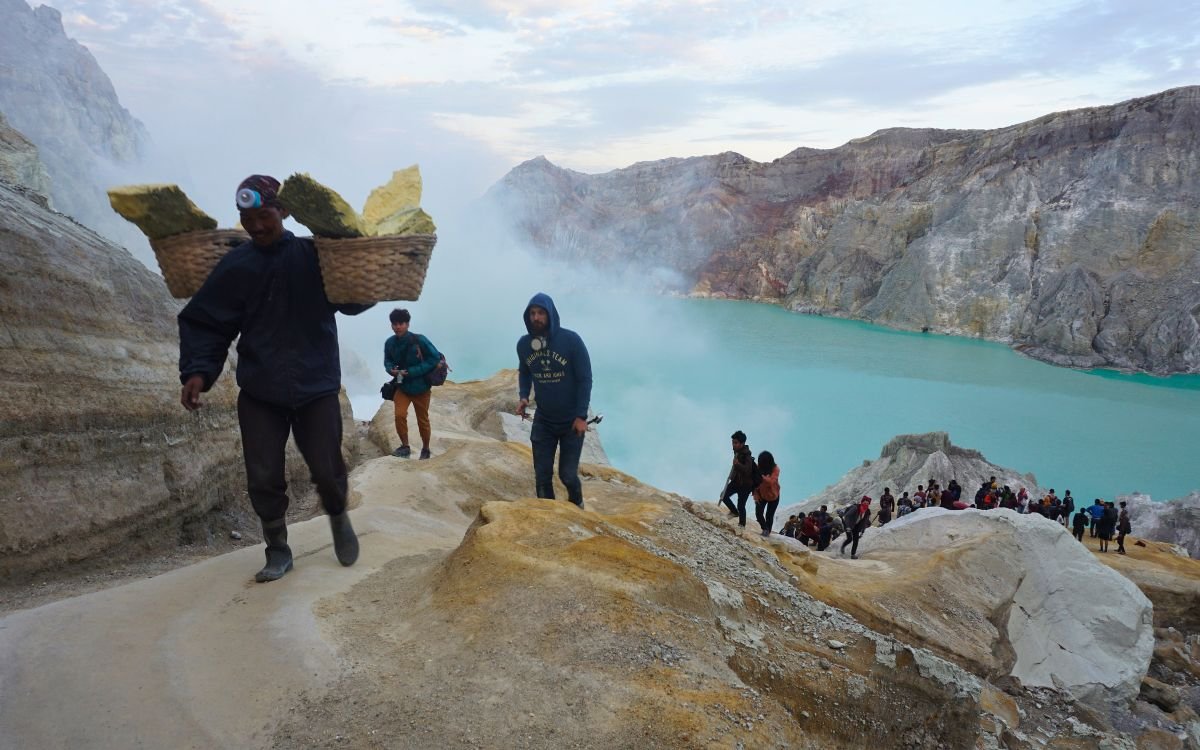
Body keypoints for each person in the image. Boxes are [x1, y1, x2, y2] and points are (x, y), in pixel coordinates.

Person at [178, 175, 371, 583]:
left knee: (327, 469)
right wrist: (197, 371)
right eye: (247, 218)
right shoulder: (236, 265)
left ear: (283, 211)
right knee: (263, 475)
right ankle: (278, 548)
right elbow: (208, 322)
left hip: (316, 386)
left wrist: (363, 275)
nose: (257, 226)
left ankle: (337, 516)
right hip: (261, 390)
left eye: (264, 215)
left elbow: (353, 300)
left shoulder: (315, 255)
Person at [515, 293, 593, 509]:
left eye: (541, 313)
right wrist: (523, 396)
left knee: (567, 476)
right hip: (544, 421)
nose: (536, 318)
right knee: (542, 477)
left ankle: (577, 505)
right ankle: (550, 518)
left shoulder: (571, 341)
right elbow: (524, 371)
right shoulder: (524, 345)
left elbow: (585, 379)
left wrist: (581, 416)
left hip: (571, 422)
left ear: (550, 314)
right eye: (532, 313)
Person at [384, 308, 442, 460]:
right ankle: (405, 446)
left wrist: (412, 371)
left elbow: (434, 358)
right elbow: (387, 361)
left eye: (401, 323)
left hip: (422, 387)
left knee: (422, 420)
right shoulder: (390, 343)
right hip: (402, 386)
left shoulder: (419, 340)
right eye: (394, 324)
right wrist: (391, 370)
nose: (397, 327)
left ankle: (426, 449)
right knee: (399, 415)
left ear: (407, 324)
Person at [718, 430, 756, 528]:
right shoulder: (737, 451)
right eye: (733, 443)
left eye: (736, 443)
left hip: (746, 485)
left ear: (742, 443)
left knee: (741, 505)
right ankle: (734, 512)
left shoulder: (747, 455)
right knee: (723, 495)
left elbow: (747, 470)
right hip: (736, 481)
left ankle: (742, 525)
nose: (733, 445)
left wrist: (737, 464)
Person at [753, 450, 781, 536]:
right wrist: (755, 495)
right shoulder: (758, 468)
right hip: (761, 495)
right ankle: (765, 528)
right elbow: (754, 483)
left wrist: (760, 476)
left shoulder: (775, 469)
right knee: (758, 513)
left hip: (773, 496)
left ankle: (767, 532)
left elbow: (771, 482)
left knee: (769, 515)